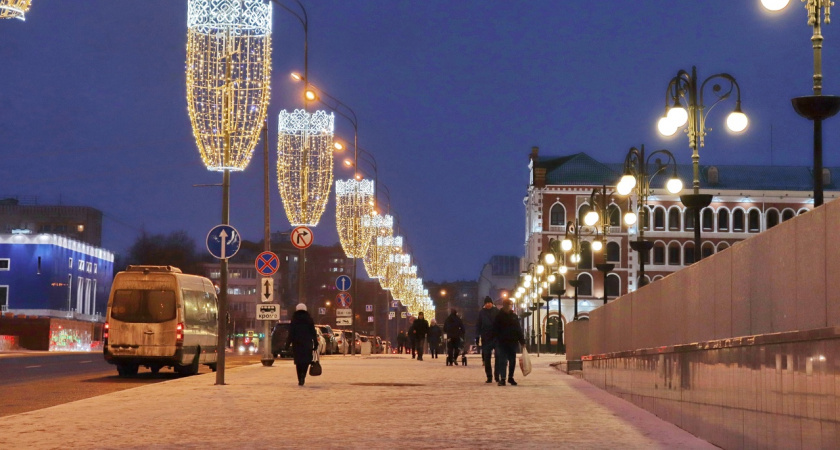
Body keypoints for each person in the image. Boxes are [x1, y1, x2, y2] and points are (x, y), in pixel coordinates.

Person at [492, 298, 526, 386]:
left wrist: (522, 341)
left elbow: (518, 329)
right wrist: (496, 341)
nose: (509, 307)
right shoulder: (499, 316)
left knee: (512, 361)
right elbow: (495, 330)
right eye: (508, 305)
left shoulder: (514, 316)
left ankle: (510, 377)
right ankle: (503, 378)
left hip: (512, 342)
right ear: (504, 306)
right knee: (503, 361)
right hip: (502, 342)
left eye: (510, 305)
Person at [285, 303, 318, 386]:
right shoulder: (309, 319)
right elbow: (313, 332)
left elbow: (291, 333)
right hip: (307, 343)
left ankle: (300, 378)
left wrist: (287, 345)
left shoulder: (294, 319)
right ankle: (303, 375)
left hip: (297, 344)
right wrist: (315, 343)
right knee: (306, 361)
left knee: (298, 362)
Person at [476, 296, 500, 383]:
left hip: (496, 337)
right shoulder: (481, 313)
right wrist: (477, 336)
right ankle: (489, 376)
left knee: (498, 356)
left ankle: (497, 375)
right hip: (486, 338)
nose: (487, 304)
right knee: (487, 358)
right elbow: (478, 325)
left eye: (489, 303)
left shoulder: (497, 311)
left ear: (492, 303)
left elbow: (501, 324)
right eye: (486, 303)